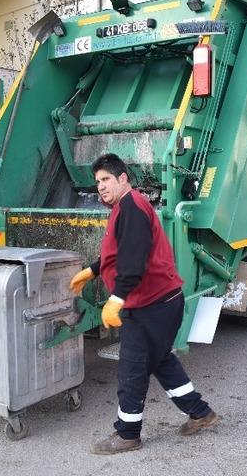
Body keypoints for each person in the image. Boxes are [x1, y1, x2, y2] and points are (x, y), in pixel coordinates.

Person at [70, 154, 218, 455]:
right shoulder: (124, 207)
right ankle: (201, 414)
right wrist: (94, 270)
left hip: (152, 303)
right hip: (159, 301)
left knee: (132, 367)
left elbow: (134, 261)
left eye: (106, 179)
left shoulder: (132, 208)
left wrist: (116, 298)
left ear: (123, 178)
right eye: (97, 182)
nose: (100, 186)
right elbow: (121, 251)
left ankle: (128, 434)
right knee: (161, 361)